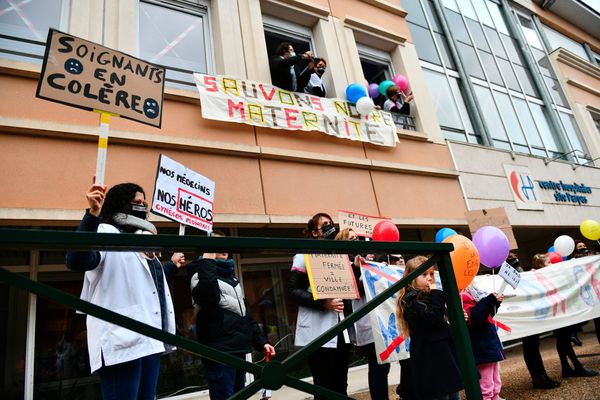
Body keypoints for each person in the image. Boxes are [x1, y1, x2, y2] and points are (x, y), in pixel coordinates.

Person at [66, 181, 178, 400]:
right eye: (136, 202)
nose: (142, 206)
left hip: (151, 338)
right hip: (122, 341)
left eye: (144, 202)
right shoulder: (105, 231)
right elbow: (77, 260)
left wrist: (171, 267)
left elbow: (145, 286)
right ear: (120, 204)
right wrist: (92, 215)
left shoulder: (145, 240)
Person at [187, 238, 275, 400]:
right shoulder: (198, 274)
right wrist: (208, 260)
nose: (223, 248)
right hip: (219, 352)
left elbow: (245, 315)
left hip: (238, 349)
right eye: (216, 245)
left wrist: (261, 342)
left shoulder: (232, 278)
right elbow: (208, 297)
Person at [287, 213, 351, 399]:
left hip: (340, 328)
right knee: (323, 386)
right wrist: (323, 303)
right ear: (314, 232)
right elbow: (292, 291)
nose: (328, 227)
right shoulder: (303, 254)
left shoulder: (340, 253)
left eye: (330, 224)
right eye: (323, 225)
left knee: (341, 383)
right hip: (318, 330)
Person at [396, 255, 463, 400]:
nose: (430, 278)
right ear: (412, 278)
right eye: (424, 274)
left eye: (432, 274)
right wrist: (437, 295)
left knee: (453, 394)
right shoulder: (411, 300)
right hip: (431, 358)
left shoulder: (430, 296)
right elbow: (433, 317)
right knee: (441, 395)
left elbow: (441, 319)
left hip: (444, 355)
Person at [461, 284, 505, 400]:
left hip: (488, 344)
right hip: (481, 346)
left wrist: (495, 303)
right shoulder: (462, 297)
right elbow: (475, 318)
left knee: (495, 381)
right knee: (486, 385)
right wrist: (489, 301)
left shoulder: (473, 292)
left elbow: (486, 315)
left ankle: (495, 397)